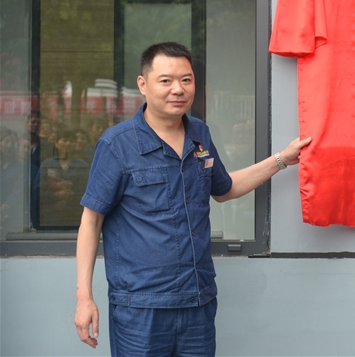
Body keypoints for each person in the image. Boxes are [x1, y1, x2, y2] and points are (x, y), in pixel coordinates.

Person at [73, 42, 311, 355]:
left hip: (198, 301)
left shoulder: (200, 134)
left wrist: (281, 159)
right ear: (143, 85)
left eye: (186, 80)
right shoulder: (118, 144)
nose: (178, 89)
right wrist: (84, 297)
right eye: (166, 80)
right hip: (141, 307)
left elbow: (224, 189)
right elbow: (91, 221)